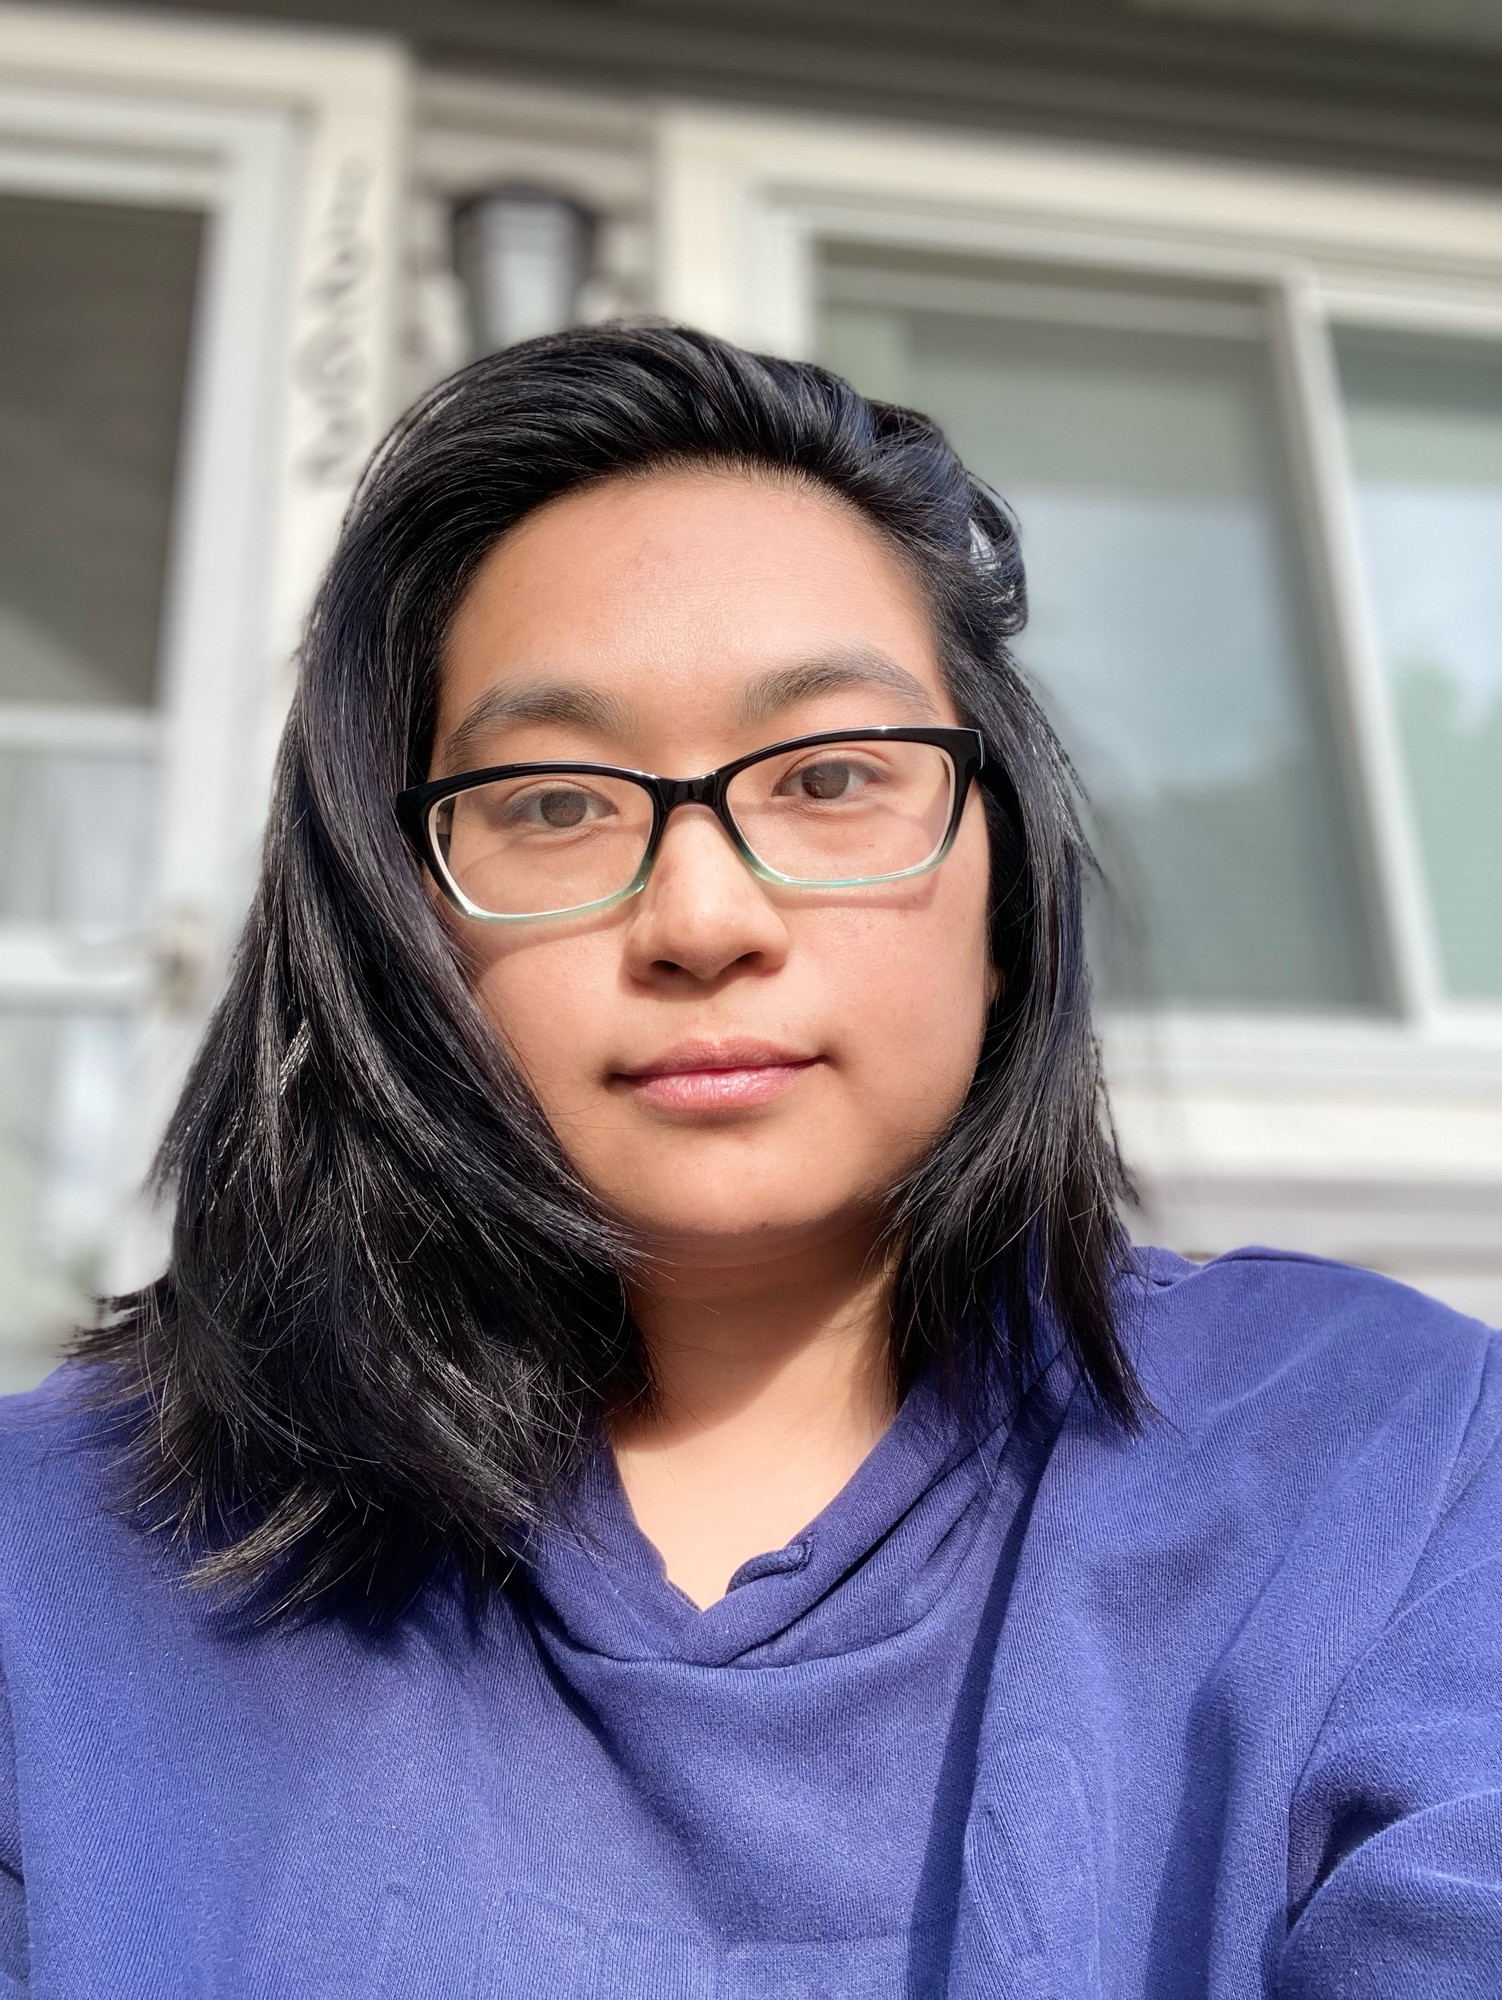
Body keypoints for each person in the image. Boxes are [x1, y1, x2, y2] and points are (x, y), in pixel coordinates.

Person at [0, 324, 1497, 1999]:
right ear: (396, 922)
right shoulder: (47, 1569)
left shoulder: (1398, 1469)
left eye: (834, 775)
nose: (702, 918)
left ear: (1002, 892)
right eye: (554, 803)